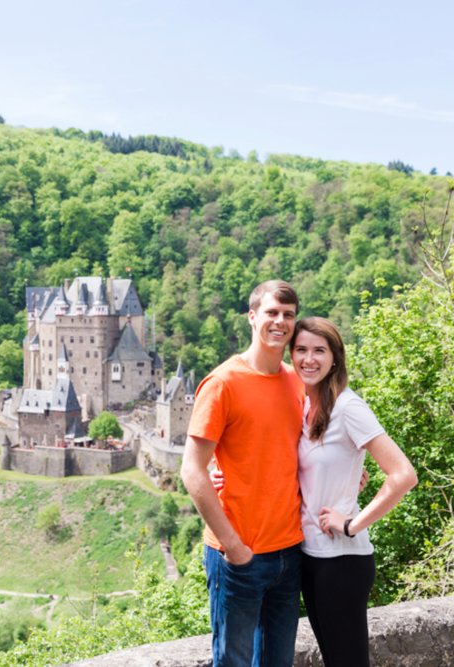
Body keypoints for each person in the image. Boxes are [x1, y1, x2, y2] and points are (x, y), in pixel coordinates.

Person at [213, 316, 417, 667]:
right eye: (301, 350)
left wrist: (352, 523)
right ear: (291, 355)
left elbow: (403, 475)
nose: (309, 359)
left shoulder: (348, 407)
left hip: (342, 560)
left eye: (319, 351)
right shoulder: (303, 403)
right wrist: (220, 472)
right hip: (309, 555)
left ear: (335, 358)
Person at [181, 279, 306, 667]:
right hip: (239, 555)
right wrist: (234, 547)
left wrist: (350, 474)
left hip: (289, 550)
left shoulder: (298, 380)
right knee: (232, 662)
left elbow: (303, 451)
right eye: (271, 312)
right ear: (252, 317)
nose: (280, 322)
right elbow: (192, 471)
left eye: (288, 315)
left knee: (277, 663)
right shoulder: (223, 384)